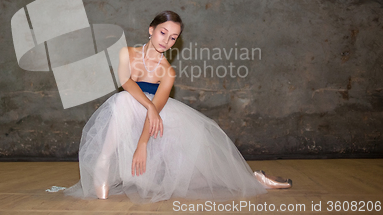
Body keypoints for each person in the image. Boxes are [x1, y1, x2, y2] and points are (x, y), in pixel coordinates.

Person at [61, 10, 292, 204]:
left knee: (197, 180)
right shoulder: (127, 53)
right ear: (151, 30)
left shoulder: (167, 72)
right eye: (163, 33)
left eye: (173, 38)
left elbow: (158, 107)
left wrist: (143, 141)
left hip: (158, 120)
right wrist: (149, 106)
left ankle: (254, 178)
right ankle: (104, 159)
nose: (166, 40)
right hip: (131, 111)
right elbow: (125, 82)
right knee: (122, 100)